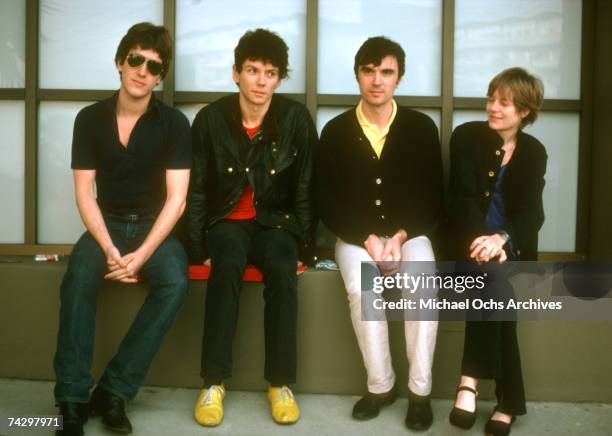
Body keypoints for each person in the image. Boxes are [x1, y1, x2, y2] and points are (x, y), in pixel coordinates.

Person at [53, 22, 191, 436]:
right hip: (106, 224)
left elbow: (177, 199)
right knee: (78, 275)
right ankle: (72, 399)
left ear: (160, 75)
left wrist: (141, 255)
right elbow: (83, 193)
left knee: (175, 281)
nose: (142, 70)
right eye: (135, 59)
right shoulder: (90, 119)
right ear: (120, 61)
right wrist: (111, 250)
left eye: (153, 65)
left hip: (153, 229)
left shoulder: (174, 124)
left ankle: (114, 391)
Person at [186, 28, 317, 427]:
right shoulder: (210, 120)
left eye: (271, 73)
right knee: (226, 263)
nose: (261, 81)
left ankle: (280, 383)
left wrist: (306, 249)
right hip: (226, 221)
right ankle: (213, 382)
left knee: (281, 268)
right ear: (235, 73)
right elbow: (196, 189)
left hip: (277, 223)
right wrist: (196, 247)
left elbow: (306, 186)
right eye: (253, 70)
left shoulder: (295, 119)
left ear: (280, 78)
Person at [317, 36, 444, 431]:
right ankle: (381, 385)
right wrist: (367, 238)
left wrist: (401, 236)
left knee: (423, 284)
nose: (377, 80)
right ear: (358, 74)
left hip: (410, 233)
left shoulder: (422, 128)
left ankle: (419, 392)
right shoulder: (336, 131)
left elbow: (433, 197)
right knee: (364, 288)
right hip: (356, 237)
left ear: (399, 78)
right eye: (369, 71)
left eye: (386, 72)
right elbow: (327, 200)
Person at [446, 67, 546, 436]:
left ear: (524, 111)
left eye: (504, 103)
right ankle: (506, 400)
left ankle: (469, 381)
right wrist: (482, 242)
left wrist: (501, 240)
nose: (493, 108)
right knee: (491, 279)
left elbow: (533, 213)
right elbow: (461, 199)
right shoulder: (466, 137)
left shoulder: (534, 152)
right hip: (467, 245)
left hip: (509, 250)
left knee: (495, 281)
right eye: (491, 99)